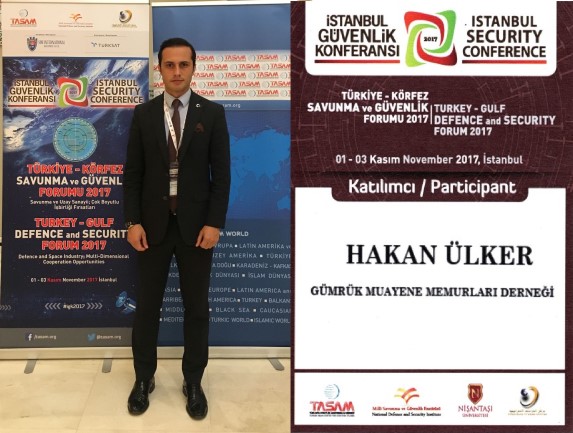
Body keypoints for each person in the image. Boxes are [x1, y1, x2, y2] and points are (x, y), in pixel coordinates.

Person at [123, 37, 231, 420]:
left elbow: (222, 177)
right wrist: (132, 221)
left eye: (184, 64)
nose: (177, 72)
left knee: (197, 309)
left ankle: (193, 381)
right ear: (160, 68)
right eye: (169, 65)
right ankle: (143, 379)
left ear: (194, 68)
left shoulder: (212, 114)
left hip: (196, 230)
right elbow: (132, 175)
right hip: (151, 229)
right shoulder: (144, 115)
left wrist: (214, 223)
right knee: (147, 309)